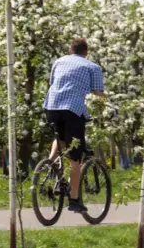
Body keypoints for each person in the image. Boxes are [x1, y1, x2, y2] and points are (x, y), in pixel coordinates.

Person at [42, 37, 106, 214]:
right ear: (86, 52)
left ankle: (50, 164)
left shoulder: (58, 62)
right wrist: (109, 104)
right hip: (73, 110)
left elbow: (53, 83)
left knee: (60, 136)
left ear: (70, 50)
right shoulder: (92, 67)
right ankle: (74, 200)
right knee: (75, 158)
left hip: (51, 106)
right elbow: (97, 93)